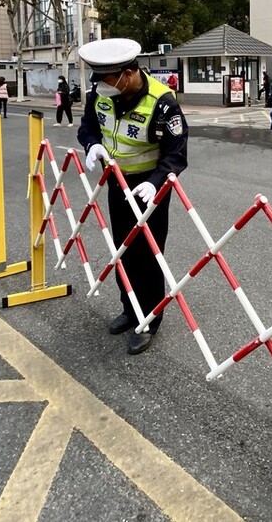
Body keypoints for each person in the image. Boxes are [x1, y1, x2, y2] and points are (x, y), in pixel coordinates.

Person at [77, 37, 188, 355]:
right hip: (117, 184)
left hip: (149, 188)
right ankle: (129, 308)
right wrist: (92, 144)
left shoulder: (162, 102)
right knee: (123, 251)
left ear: (127, 73)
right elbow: (89, 128)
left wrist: (156, 181)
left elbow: (176, 153)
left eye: (107, 78)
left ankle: (150, 319)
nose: (101, 86)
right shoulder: (100, 95)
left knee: (148, 255)